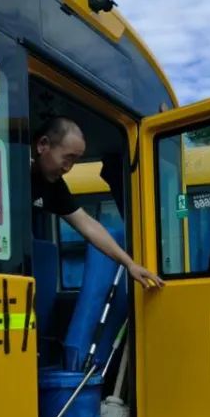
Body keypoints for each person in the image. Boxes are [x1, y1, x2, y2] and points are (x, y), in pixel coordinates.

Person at [31, 116, 163, 288]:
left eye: (74, 161)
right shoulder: (7, 165)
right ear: (43, 145)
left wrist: (129, 264)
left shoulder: (54, 186)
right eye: (67, 157)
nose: (67, 168)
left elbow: (88, 226)